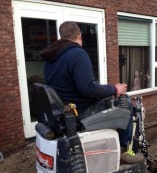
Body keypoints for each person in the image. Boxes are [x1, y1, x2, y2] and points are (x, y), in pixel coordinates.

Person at [39, 21, 143, 163]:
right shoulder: (78, 54)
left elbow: (74, 86)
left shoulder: (51, 59)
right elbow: (87, 88)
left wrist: (106, 90)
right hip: (81, 113)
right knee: (125, 103)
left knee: (109, 101)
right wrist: (114, 89)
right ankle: (124, 151)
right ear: (80, 36)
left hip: (66, 112)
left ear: (61, 36)